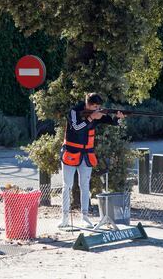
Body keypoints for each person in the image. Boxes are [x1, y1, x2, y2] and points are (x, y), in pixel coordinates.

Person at [59, 93, 125, 228]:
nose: (97, 108)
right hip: (71, 153)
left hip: (87, 154)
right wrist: (90, 118)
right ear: (87, 104)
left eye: (98, 106)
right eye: (94, 106)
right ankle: (64, 217)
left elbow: (112, 122)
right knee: (67, 186)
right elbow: (76, 128)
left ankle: (85, 217)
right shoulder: (74, 111)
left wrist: (118, 118)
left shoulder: (96, 113)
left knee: (85, 186)